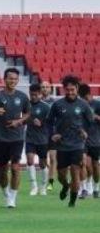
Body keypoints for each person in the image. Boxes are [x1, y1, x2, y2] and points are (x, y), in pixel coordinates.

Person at [46, 75, 94, 207]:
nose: (70, 92)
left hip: (77, 145)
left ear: (77, 89)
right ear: (63, 89)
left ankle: (72, 201)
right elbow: (49, 122)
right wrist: (53, 134)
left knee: (75, 171)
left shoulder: (83, 105)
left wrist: (85, 132)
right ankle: (66, 186)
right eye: (67, 90)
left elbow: (90, 123)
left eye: (72, 89)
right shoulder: (57, 104)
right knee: (61, 175)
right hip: (61, 145)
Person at [0, 68, 30, 208]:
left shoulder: (23, 97)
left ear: (17, 80)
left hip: (17, 138)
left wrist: (18, 121)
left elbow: (28, 114)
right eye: (10, 78)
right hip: (0, 139)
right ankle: (6, 192)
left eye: (15, 79)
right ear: (4, 79)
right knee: (2, 170)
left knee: (15, 167)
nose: (12, 81)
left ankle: (13, 197)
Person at [25, 83, 51, 196]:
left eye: (35, 95)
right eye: (31, 95)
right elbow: (21, 119)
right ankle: (33, 187)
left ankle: (43, 187)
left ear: (40, 94)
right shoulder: (26, 105)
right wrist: (27, 121)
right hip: (30, 138)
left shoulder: (46, 107)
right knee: (30, 160)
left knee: (43, 164)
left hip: (42, 139)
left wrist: (42, 123)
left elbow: (51, 122)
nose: (33, 97)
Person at [79, 83, 100, 199]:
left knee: (95, 165)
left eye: (84, 98)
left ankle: (96, 187)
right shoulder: (80, 105)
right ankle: (85, 188)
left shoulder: (97, 104)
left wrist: (95, 116)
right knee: (84, 163)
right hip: (82, 139)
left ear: (88, 94)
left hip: (96, 139)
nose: (83, 100)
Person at [41, 80, 57, 192]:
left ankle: (50, 182)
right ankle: (44, 178)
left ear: (50, 89)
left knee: (53, 158)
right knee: (42, 160)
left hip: (52, 133)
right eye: (43, 87)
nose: (45, 89)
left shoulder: (55, 103)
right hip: (40, 134)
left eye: (47, 87)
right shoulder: (36, 101)